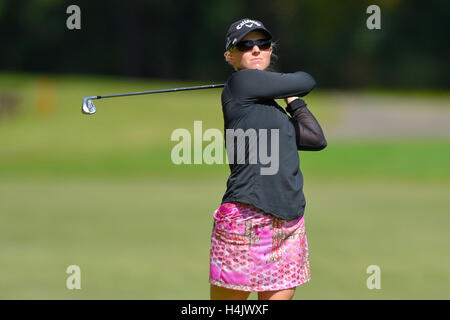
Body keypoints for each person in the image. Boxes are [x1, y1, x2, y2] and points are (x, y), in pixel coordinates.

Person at [209, 18, 327, 300]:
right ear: (231, 56)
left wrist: (294, 101)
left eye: (262, 44)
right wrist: (289, 87)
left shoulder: (272, 110)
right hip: (248, 216)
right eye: (246, 45)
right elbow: (306, 79)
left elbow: (315, 138)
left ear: (270, 50)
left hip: (289, 222)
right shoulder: (241, 82)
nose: (256, 50)